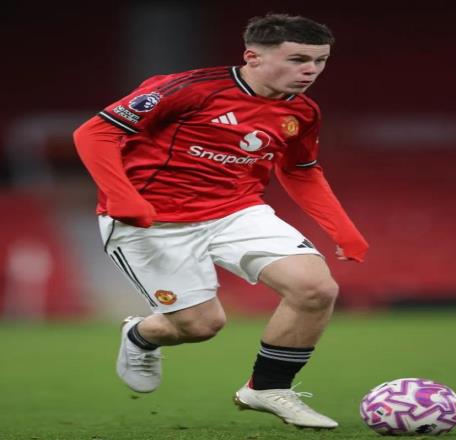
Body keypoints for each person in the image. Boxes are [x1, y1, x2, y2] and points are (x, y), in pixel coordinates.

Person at [73, 13, 368, 429]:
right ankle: (141, 335)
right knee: (201, 326)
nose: (311, 70)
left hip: (236, 210)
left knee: (315, 289)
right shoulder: (191, 88)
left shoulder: (302, 111)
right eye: (299, 59)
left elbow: (299, 170)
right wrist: (123, 196)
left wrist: (342, 228)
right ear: (253, 57)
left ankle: (268, 388)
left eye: (320, 61)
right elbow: (94, 133)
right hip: (155, 221)